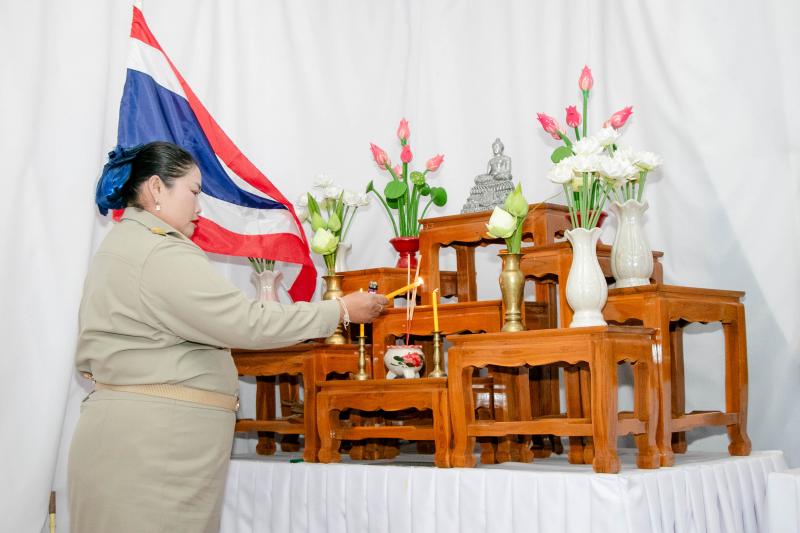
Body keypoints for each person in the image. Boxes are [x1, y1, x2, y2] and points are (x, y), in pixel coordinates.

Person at [68, 141, 388, 533]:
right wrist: (339, 311)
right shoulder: (158, 251)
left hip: (141, 443)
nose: (199, 208)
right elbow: (244, 322)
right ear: (156, 188)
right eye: (194, 192)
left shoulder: (126, 244)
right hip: (153, 449)